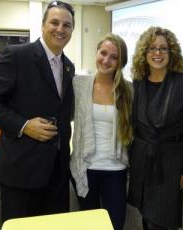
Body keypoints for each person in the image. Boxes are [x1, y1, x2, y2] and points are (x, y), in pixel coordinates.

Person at [0, 1, 75, 222]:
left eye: (67, 25)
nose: (60, 29)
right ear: (42, 25)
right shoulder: (18, 55)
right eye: (54, 22)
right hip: (22, 168)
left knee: (54, 226)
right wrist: (23, 125)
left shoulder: (68, 66)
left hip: (57, 169)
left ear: (72, 30)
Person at [127, 26, 183, 230]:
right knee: (146, 218)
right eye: (152, 48)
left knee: (163, 220)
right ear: (144, 53)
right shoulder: (138, 84)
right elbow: (133, 124)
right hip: (142, 160)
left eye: (163, 48)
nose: (157, 53)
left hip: (170, 163)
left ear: (171, 52)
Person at [70, 33, 133, 230]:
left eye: (114, 57)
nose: (106, 60)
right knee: (89, 225)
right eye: (103, 53)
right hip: (85, 166)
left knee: (115, 224)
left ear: (121, 62)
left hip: (116, 168)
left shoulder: (129, 90)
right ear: (96, 52)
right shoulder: (78, 84)